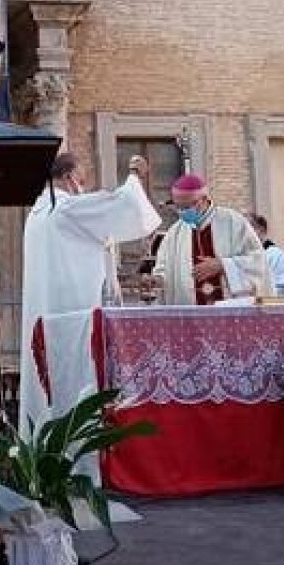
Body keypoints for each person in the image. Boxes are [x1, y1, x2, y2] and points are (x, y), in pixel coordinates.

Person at [19, 152, 161, 433]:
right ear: (69, 177)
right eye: (82, 180)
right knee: (76, 385)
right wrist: (135, 175)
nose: (83, 187)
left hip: (48, 314)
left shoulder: (37, 213)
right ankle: (81, 455)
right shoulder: (66, 209)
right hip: (75, 317)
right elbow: (122, 204)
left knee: (51, 389)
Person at [146, 174, 266, 305]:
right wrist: (156, 280)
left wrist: (223, 265)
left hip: (229, 310)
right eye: (177, 206)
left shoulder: (233, 222)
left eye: (186, 207)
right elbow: (164, 270)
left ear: (204, 199)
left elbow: (258, 261)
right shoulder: (174, 233)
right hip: (190, 312)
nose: (181, 212)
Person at [250, 214, 284, 296]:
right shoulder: (249, 256)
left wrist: (260, 290)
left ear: (261, 230)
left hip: (273, 301)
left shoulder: (275, 254)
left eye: (248, 229)